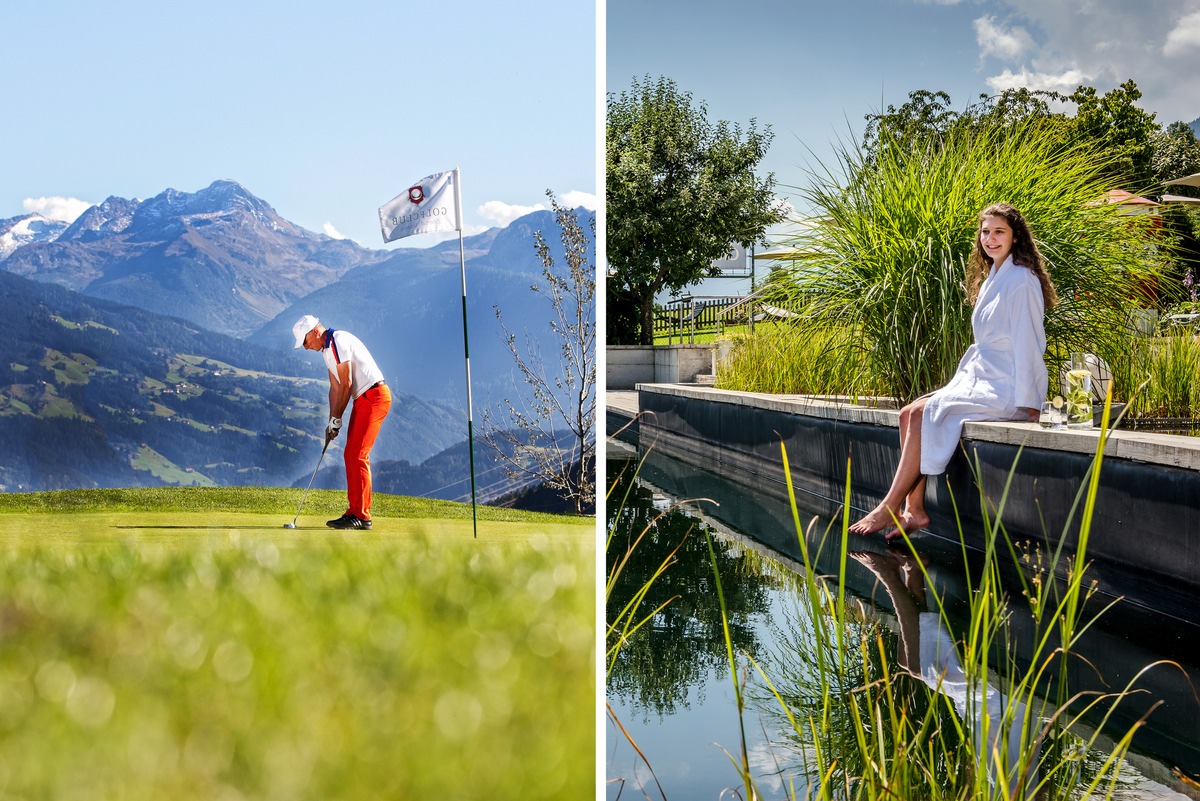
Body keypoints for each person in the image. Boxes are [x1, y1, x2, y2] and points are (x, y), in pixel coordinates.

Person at [850, 203, 1058, 540]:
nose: (990, 239)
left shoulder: (1021, 280)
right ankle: (913, 511)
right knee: (908, 413)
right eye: (985, 231)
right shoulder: (995, 276)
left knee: (923, 413)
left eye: (999, 231)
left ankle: (889, 504)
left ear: (1016, 236)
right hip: (982, 377)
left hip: (1005, 387)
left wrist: (1031, 404)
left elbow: (1029, 342)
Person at [292, 314, 392, 529]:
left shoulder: (337, 340)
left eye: (305, 342)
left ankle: (362, 516)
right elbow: (335, 388)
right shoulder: (327, 351)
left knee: (358, 454)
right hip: (363, 399)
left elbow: (346, 383)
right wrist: (331, 422)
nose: (306, 347)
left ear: (314, 332)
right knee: (351, 454)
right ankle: (355, 512)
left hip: (374, 396)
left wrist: (337, 418)